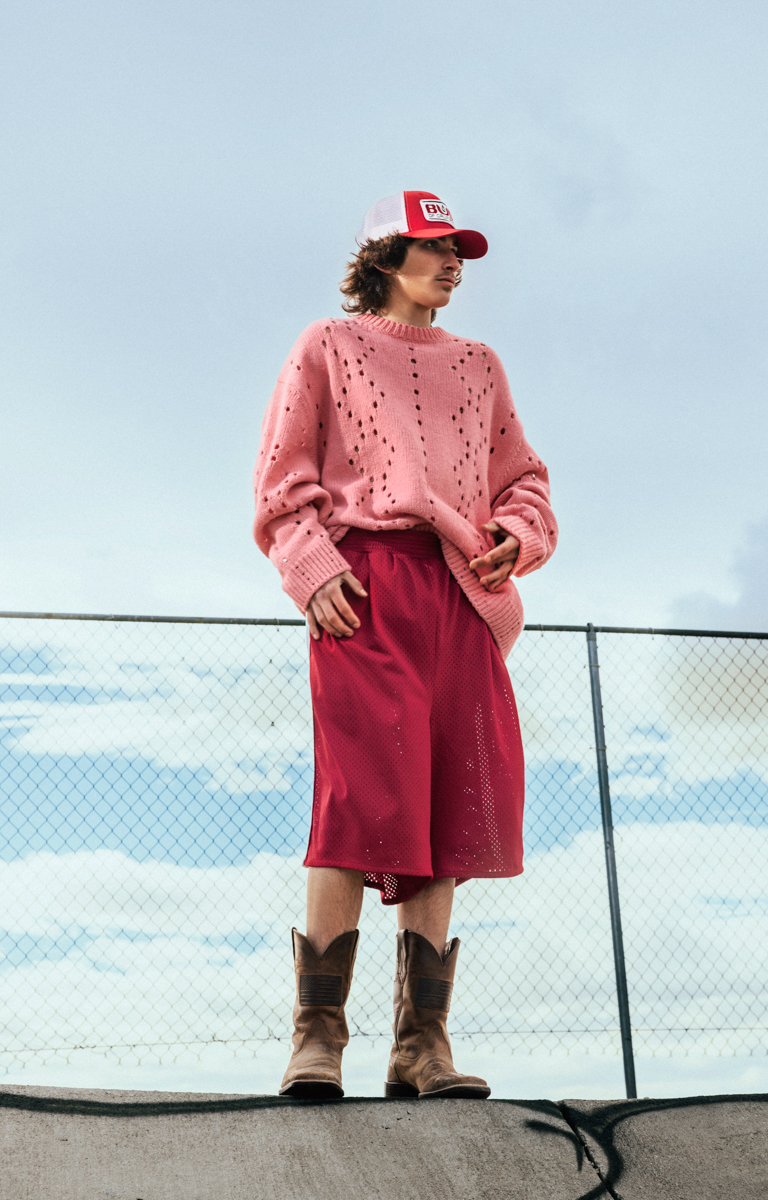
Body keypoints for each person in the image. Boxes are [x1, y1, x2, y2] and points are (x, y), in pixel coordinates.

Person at [253, 190, 557, 1100]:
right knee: (355, 799)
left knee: (449, 810)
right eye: (433, 246)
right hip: (364, 587)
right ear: (385, 256)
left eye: (460, 248)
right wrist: (312, 567)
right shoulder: (327, 344)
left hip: (461, 594)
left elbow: (524, 480)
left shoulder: (480, 364)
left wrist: (515, 534)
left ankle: (421, 1049)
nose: (453, 261)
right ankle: (318, 1040)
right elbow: (281, 480)